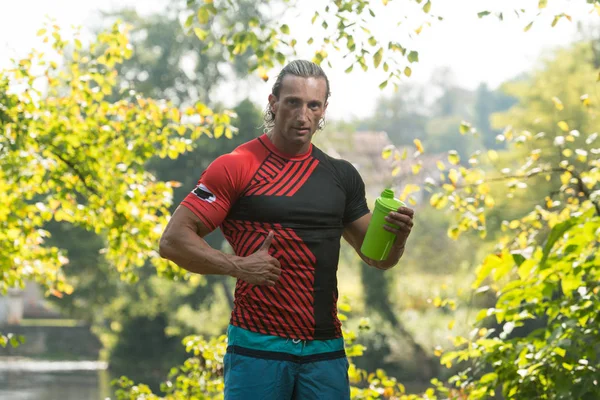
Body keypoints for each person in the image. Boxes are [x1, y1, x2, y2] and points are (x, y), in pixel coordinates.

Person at [159, 60, 414, 399]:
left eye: (313, 105)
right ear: (273, 102)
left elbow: (378, 259)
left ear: (324, 110)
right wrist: (239, 266)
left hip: (324, 349)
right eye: (293, 102)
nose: (303, 114)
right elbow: (173, 241)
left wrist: (397, 238)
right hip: (257, 346)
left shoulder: (341, 176)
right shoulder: (236, 166)